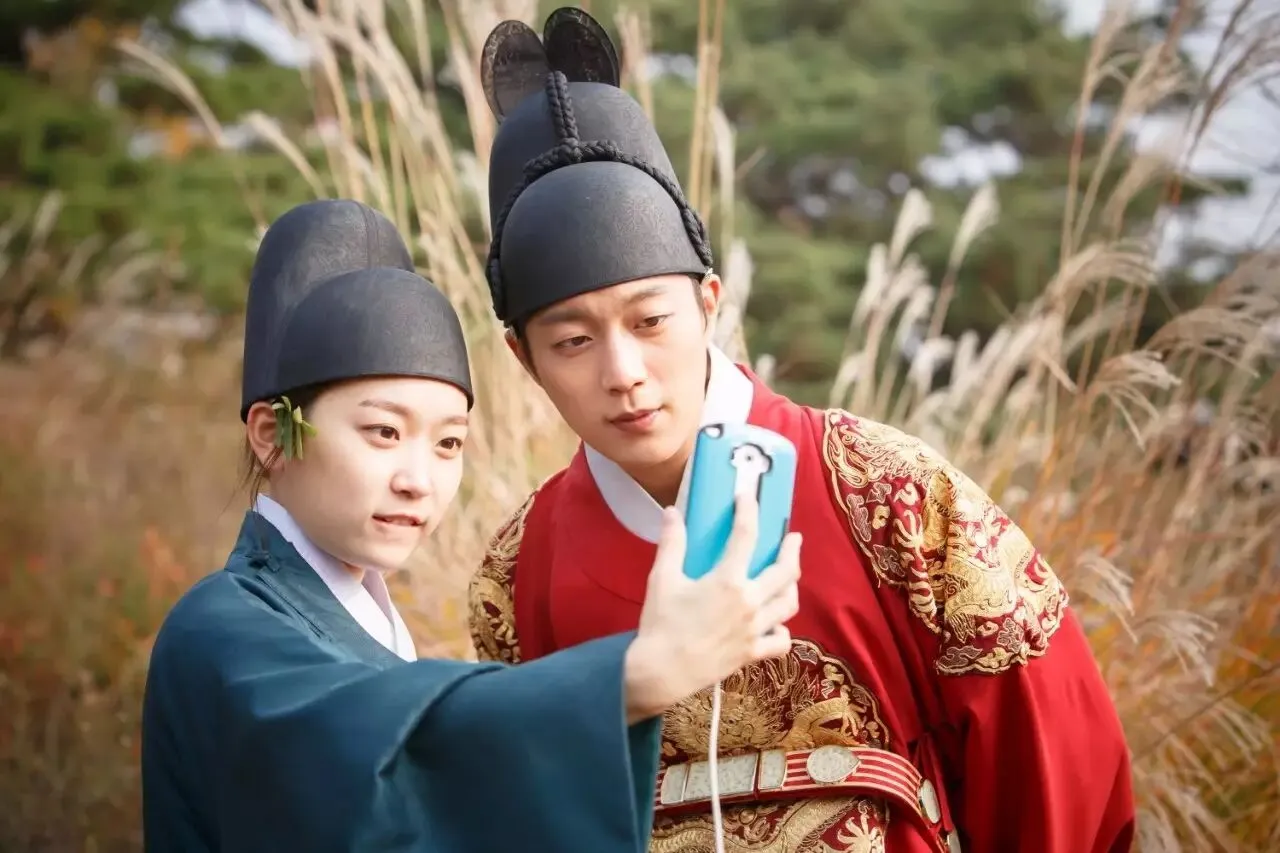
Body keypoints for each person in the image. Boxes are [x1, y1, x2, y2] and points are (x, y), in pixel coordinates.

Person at [467, 8, 1137, 853]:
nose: (623, 371)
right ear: (523, 358)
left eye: (650, 320)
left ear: (709, 303)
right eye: (572, 341)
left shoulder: (888, 493)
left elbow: (1057, 765)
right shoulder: (515, 575)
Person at [139, 198, 803, 853]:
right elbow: (361, 746)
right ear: (271, 435)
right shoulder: (220, 629)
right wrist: (634, 676)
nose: (418, 479)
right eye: (383, 432)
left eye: (447, 443)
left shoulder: (372, 635)